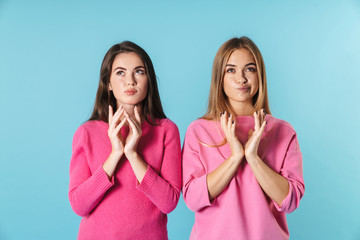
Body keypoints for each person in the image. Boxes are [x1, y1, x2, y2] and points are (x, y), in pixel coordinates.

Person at [182, 37, 305, 240]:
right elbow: (193, 199)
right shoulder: (199, 131)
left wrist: (253, 157)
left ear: (260, 75)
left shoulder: (283, 132)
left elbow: (290, 201)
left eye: (250, 69)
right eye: (231, 70)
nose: (241, 79)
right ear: (219, 78)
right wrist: (235, 157)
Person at [68, 41, 181, 240]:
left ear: (149, 80)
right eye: (120, 72)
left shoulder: (166, 130)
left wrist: (132, 154)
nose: (130, 81)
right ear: (108, 83)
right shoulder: (86, 133)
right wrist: (115, 154)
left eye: (139, 72)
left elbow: (169, 203)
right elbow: (79, 205)